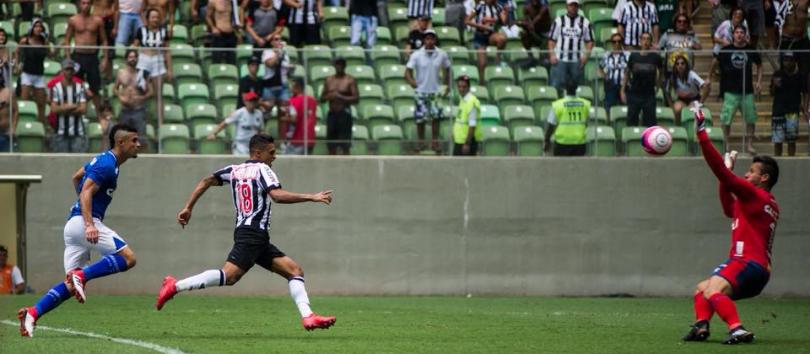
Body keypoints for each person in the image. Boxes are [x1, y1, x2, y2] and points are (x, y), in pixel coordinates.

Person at [155, 133, 336, 331]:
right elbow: (276, 195)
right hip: (253, 234)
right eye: (271, 152)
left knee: (295, 271)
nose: (274, 157)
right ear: (258, 153)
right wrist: (311, 197)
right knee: (229, 276)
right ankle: (175, 286)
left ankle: (308, 317)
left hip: (252, 235)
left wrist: (188, 207)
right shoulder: (262, 169)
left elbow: (206, 180)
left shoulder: (234, 170)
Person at [17, 124, 142, 337]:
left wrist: (84, 211)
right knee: (128, 258)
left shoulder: (105, 160)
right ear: (120, 143)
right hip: (84, 224)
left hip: (73, 226)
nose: (138, 144)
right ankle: (82, 275)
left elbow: (76, 177)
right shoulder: (107, 165)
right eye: (134, 140)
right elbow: (85, 191)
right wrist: (90, 223)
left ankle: (32, 313)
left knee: (70, 286)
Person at [682, 105, 780, 345]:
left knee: (712, 290)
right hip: (759, 270)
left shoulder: (756, 196)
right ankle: (701, 325)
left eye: (751, 171)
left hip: (745, 262)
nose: (746, 176)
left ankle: (737, 329)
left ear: (764, 178)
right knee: (702, 289)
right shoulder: (764, 204)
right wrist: (727, 176)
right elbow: (728, 207)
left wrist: (702, 134)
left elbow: (723, 176)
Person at [710, 25, 762, 154]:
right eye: (737, 32)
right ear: (733, 35)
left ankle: (749, 144)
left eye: (742, 32)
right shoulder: (726, 50)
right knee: (726, 119)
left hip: (747, 90)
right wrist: (709, 77)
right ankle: (726, 144)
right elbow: (715, 62)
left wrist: (759, 81)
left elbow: (760, 65)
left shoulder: (750, 50)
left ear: (745, 35)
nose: (739, 35)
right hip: (730, 90)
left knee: (751, 118)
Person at [405, 29, 451, 153]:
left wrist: (446, 85)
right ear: (424, 40)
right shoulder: (416, 54)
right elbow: (407, 71)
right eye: (427, 38)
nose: (429, 41)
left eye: (432, 38)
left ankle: (434, 143)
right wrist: (412, 82)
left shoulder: (441, 54)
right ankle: (421, 142)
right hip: (421, 92)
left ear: (435, 40)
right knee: (421, 119)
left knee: (436, 118)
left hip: (436, 91)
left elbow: (448, 69)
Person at [65, 0, 109, 118]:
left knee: (95, 87)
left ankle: (100, 117)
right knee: (75, 85)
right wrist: (68, 58)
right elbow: (67, 40)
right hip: (78, 56)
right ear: (80, 4)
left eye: (88, 3)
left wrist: (105, 58)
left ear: (92, 5)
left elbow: (104, 40)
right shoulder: (73, 20)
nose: (86, 5)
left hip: (92, 57)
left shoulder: (97, 21)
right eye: (83, 3)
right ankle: (75, 113)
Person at [133, 8, 172, 125]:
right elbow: (134, 48)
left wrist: (169, 69)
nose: (155, 19)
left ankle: (161, 124)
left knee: (158, 94)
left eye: (157, 17)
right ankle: (142, 122)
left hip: (158, 62)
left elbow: (167, 51)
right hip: (143, 61)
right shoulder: (141, 31)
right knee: (141, 91)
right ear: (148, 19)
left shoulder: (163, 32)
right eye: (153, 17)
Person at [548, 0, 593, 95]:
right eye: (571, 5)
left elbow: (589, 42)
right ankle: (557, 108)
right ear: (567, 6)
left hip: (576, 61)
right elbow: (551, 40)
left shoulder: (585, 22)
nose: (573, 7)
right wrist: (552, 55)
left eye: (575, 5)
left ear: (578, 7)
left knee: (576, 87)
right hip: (560, 59)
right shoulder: (559, 21)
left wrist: (585, 57)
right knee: (557, 86)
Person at [15, 18, 53, 126]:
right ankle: (22, 124)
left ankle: (40, 125)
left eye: (40, 26)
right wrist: (17, 65)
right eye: (36, 26)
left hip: (39, 75)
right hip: (27, 74)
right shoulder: (25, 41)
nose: (38, 28)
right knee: (25, 102)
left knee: (41, 103)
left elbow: (51, 55)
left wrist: (51, 45)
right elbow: (17, 52)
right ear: (32, 28)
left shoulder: (44, 41)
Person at [113, 50, 154, 149]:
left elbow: (151, 91)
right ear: (126, 59)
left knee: (141, 139)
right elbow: (115, 88)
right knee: (122, 139)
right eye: (130, 57)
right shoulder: (121, 73)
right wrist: (120, 97)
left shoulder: (142, 74)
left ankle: (142, 161)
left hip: (138, 110)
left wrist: (142, 98)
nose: (132, 59)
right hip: (125, 110)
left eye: (134, 57)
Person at [769, 52, 808, 156]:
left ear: (795, 62)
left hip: (793, 111)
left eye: (791, 60)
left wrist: (805, 107)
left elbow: (805, 92)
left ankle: (791, 160)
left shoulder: (800, 76)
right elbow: (771, 93)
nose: (788, 62)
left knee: (792, 140)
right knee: (778, 140)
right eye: (786, 60)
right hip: (778, 111)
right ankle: (778, 161)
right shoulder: (777, 74)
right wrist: (774, 84)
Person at [621, 32, 661, 127]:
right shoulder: (634, 56)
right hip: (634, 93)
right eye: (643, 39)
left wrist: (658, 86)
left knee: (650, 122)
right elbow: (627, 72)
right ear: (640, 41)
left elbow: (661, 72)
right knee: (632, 119)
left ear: (651, 41)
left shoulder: (655, 57)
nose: (645, 41)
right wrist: (622, 89)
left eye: (648, 39)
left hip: (649, 94)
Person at [320, 57, 358, 155]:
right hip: (332, 114)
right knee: (331, 144)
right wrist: (329, 96)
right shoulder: (329, 80)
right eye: (337, 64)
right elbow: (322, 98)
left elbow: (356, 98)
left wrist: (340, 97)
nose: (339, 66)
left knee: (345, 144)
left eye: (341, 64)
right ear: (334, 66)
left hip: (344, 113)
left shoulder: (350, 80)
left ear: (345, 66)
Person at [50, 59, 90, 153]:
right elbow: (54, 109)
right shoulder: (56, 88)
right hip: (61, 133)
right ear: (63, 70)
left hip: (78, 133)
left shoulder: (80, 87)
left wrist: (63, 108)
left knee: (78, 164)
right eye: (67, 69)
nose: (69, 72)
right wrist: (74, 106)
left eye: (71, 69)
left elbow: (83, 109)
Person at [544, 81, 590, 156]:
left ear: (565, 90)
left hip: (562, 143)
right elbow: (587, 122)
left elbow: (551, 125)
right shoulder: (585, 104)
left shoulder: (557, 105)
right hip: (579, 142)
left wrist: (546, 140)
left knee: (561, 166)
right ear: (576, 90)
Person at [466, 0, 508, 81]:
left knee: (502, 38)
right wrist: (481, 26)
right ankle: (482, 82)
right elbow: (467, 21)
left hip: (491, 35)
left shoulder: (499, 7)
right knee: (482, 64)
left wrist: (505, 13)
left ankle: (498, 59)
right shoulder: (479, 7)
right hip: (480, 36)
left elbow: (504, 23)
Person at [666, 55, 709, 123]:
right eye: (677, 64)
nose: (680, 65)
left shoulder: (691, 74)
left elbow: (706, 87)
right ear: (675, 66)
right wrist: (671, 105)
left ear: (686, 65)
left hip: (694, 99)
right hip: (681, 100)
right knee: (677, 109)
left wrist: (701, 103)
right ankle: (679, 128)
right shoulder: (673, 77)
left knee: (691, 111)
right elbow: (667, 92)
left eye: (682, 63)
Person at [281, 78, 317, 154]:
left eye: (291, 86)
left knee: (292, 165)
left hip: (296, 140)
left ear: (297, 87)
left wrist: (282, 118)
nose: (290, 88)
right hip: (310, 139)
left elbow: (294, 119)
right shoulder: (312, 101)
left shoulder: (292, 101)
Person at [775, 0, 809, 79]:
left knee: (805, 68)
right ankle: (784, 89)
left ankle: (804, 90)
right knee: (785, 68)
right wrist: (776, 38)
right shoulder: (785, 2)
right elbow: (777, 21)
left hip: (802, 39)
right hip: (787, 39)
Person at [261, 34, 293, 112]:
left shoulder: (285, 54)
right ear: (271, 42)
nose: (279, 41)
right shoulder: (267, 52)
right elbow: (270, 64)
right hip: (270, 86)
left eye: (280, 39)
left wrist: (291, 68)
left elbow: (286, 69)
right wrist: (278, 53)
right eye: (276, 39)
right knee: (266, 111)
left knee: (284, 112)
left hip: (283, 86)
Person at [599, 33, 630, 113]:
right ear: (611, 43)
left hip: (624, 85)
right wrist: (605, 77)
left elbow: (631, 69)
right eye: (614, 41)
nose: (617, 44)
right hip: (611, 85)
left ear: (622, 43)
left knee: (625, 108)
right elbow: (600, 67)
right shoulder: (606, 55)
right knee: (609, 108)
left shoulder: (628, 56)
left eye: (619, 41)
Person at [452, 75, 481, 156]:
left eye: (464, 87)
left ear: (469, 87)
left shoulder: (471, 102)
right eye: (459, 87)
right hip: (460, 141)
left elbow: (472, 125)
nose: (461, 89)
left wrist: (467, 144)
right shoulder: (463, 100)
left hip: (466, 143)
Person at [517, 0, 550, 65]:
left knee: (546, 40)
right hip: (535, 33)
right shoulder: (526, 8)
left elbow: (538, 17)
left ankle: (543, 59)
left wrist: (528, 24)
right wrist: (521, 23)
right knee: (524, 35)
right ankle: (530, 57)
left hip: (545, 35)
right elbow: (526, 20)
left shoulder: (544, 8)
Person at [92, 0, 117, 74]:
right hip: (95, 20)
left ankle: (108, 78)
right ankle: (93, 74)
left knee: (110, 51)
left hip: (108, 21)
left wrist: (115, 27)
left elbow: (116, 10)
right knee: (93, 50)